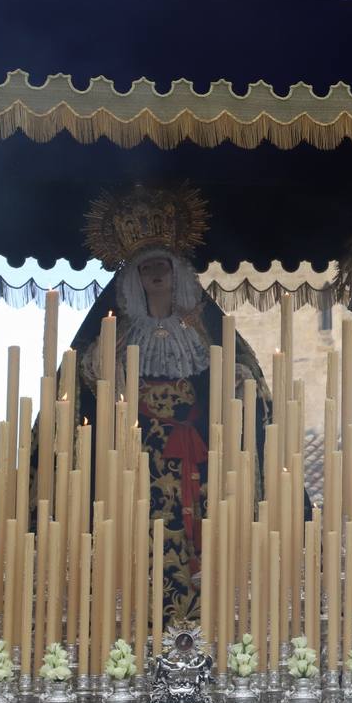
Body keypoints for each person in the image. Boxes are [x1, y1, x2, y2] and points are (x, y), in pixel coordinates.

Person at [70, 185, 276, 624]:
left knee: (204, 518)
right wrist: (101, 363)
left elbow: (240, 367)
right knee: (143, 523)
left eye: (162, 266)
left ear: (177, 272)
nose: (156, 274)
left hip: (200, 449)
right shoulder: (118, 330)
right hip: (139, 452)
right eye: (146, 269)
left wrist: (240, 378)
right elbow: (85, 383)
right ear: (134, 280)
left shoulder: (204, 325)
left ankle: (208, 594)